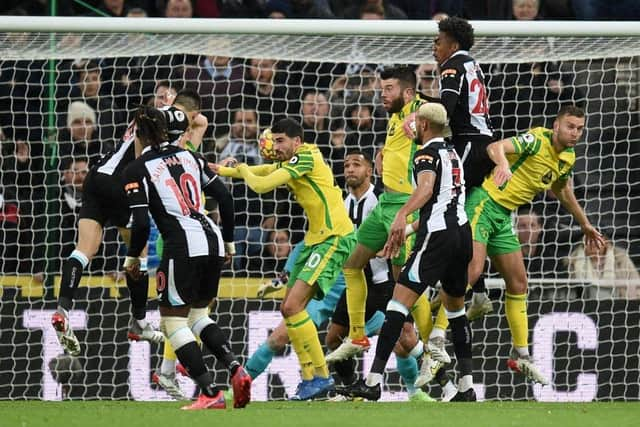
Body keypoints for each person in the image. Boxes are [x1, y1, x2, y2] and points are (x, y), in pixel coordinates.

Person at [340, 102, 475, 401]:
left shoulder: (425, 153)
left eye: (415, 123)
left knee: (397, 305)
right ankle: (466, 388)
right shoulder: (452, 153)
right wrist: (406, 230)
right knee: (456, 311)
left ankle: (373, 382)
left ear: (424, 126)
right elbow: (441, 203)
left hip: (437, 237)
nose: (411, 127)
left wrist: (402, 215)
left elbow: (426, 190)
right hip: (461, 236)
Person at [215, 118, 356, 401]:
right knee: (289, 309)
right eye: (273, 140)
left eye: (280, 141)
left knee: (293, 306)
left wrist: (240, 168)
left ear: (296, 141)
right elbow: (265, 169)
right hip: (314, 240)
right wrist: (221, 169)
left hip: (334, 238)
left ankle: (321, 377)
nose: (275, 146)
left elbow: (262, 185)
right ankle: (311, 378)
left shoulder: (306, 157)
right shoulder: (296, 158)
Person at [50, 90, 199, 357]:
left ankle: (62, 309)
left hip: (96, 177)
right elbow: (197, 123)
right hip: (123, 184)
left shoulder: (149, 116)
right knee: (138, 255)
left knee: (84, 249)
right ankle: (139, 322)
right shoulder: (164, 123)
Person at [465, 105, 605, 384]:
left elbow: (562, 189)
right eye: (570, 126)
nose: (575, 133)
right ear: (556, 126)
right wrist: (503, 164)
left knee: (519, 284)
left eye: (579, 128)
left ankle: (522, 357)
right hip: (483, 204)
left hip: (504, 217)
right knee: (470, 273)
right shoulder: (535, 140)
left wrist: (584, 223)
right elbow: (495, 147)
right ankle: (436, 334)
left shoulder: (567, 157)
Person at [123, 105, 251, 410]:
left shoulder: (137, 169)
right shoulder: (191, 156)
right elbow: (226, 197)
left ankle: (210, 392)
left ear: (137, 135)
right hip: (213, 237)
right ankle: (236, 367)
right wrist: (230, 242)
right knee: (198, 316)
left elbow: (140, 223)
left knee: (172, 322)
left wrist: (133, 259)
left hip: (182, 244)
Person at [326, 66, 434, 363]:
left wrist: (420, 111)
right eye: (382, 88)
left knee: (407, 281)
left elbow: (443, 112)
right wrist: (384, 154)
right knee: (352, 264)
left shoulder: (420, 109)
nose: (382, 94)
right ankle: (358, 334)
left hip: (405, 204)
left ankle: (433, 350)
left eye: (389, 89)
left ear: (409, 92)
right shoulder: (395, 116)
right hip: (386, 202)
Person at [432, 16, 495, 321]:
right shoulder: (472, 64)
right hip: (481, 144)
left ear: (452, 44)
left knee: (448, 210)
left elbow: (445, 110)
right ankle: (477, 291)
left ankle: (456, 286)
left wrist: (417, 116)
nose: (434, 47)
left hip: (468, 145)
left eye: (438, 41)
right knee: (459, 213)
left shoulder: (453, 65)